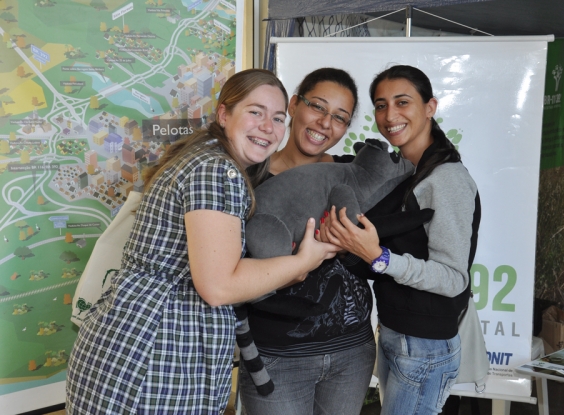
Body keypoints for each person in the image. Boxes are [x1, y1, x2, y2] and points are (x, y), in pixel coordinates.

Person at [65, 69, 340, 415]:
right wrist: (304, 261)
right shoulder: (217, 171)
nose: (268, 127)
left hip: (127, 346)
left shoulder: (200, 157)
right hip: (154, 356)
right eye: (255, 112)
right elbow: (218, 286)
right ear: (224, 114)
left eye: (278, 117)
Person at [318, 65, 481, 415]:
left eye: (402, 102)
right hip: (397, 332)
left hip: (424, 345)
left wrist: (379, 256)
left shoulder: (445, 179)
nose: (389, 115)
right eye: (380, 105)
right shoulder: (405, 172)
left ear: (430, 107)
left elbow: (454, 278)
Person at [239, 68, 376, 415]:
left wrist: (354, 247)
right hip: (277, 356)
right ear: (295, 104)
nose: (325, 123)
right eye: (318, 106)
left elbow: (370, 264)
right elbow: (232, 269)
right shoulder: (249, 177)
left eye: (340, 117)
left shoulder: (352, 174)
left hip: (352, 351)